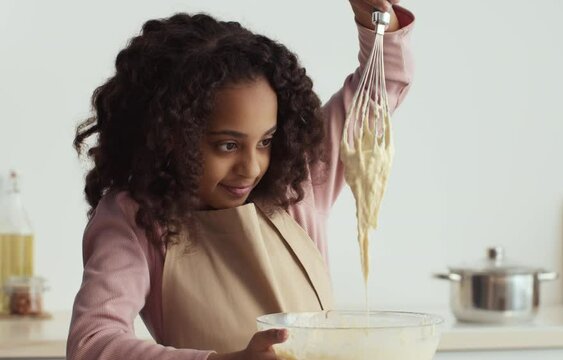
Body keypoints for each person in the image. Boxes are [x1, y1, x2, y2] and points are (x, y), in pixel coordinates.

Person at [67, 0, 415, 359]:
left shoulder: (298, 183)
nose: (251, 167)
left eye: (265, 141)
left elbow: (378, 89)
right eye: (227, 145)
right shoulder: (135, 219)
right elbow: (92, 343)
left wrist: (375, 20)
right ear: (169, 136)